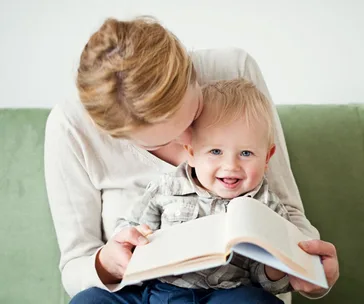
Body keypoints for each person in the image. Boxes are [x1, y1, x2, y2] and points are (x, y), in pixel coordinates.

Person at [44, 17, 339, 303]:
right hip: (144, 290)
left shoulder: (234, 72)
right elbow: (76, 265)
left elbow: (289, 217)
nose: (188, 147)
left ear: (194, 75)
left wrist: (309, 272)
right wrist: (107, 263)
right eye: (159, 142)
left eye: (194, 118)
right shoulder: (71, 127)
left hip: (231, 290)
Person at [114, 79, 293, 303]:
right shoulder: (167, 188)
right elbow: (131, 228)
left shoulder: (267, 205)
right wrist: (131, 243)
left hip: (229, 292)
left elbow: (274, 282)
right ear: (191, 152)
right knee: (90, 299)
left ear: (267, 157)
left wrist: (274, 265)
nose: (231, 165)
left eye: (246, 153)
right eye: (216, 151)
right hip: (163, 289)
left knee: (258, 301)